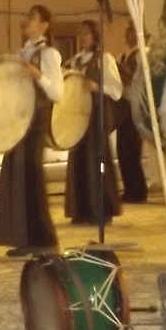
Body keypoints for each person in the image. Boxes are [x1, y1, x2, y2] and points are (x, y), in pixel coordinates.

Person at [0, 5, 64, 257]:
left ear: (44, 25)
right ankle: (23, 237)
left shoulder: (49, 54)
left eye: (31, 18)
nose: (26, 21)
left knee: (31, 176)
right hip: (18, 119)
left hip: (36, 119)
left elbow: (58, 92)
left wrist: (38, 75)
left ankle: (43, 239)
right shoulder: (21, 52)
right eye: (27, 17)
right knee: (17, 176)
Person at [64, 20, 123, 225]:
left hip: (96, 116)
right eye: (80, 33)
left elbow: (116, 90)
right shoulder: (75, 61)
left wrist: (96, 86)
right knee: (79, 162)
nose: (83, 37)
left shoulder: (104, 59)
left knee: (97, 163)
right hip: (77, 117)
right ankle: (81, 210)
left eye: (87, 33)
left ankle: (102, 210)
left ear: (95, 36)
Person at [114, 23, 148, 203]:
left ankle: (138, 190)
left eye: (134, 31)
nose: (130, 35)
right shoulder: (123, 55)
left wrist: (127, 73)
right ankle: (129, 188)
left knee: (133, 149)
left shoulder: (143, 53)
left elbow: (142, 79)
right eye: (129, 31)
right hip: (122, 105)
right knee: (122, 149)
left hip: (135, 105)